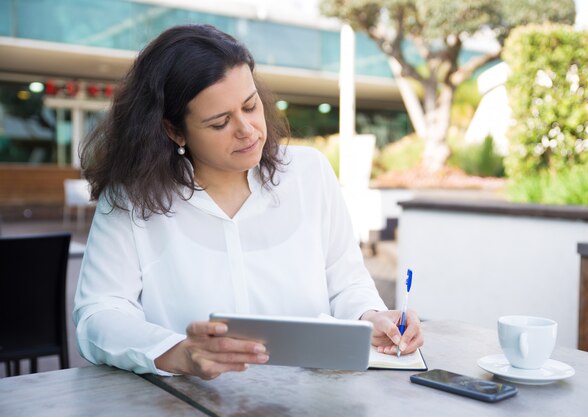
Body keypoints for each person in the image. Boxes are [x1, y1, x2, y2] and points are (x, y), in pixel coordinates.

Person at [73, 24, 423, 379]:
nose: (247, 130)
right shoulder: (131, 200)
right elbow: (98, 314)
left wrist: (370, 318)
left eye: (250, 106)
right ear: (173, 131)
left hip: (310, 400)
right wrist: (177, 352)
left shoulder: (309, 174)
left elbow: (347, 282)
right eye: (220, 122)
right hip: (189, 400)